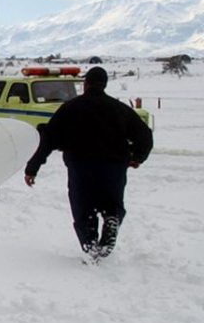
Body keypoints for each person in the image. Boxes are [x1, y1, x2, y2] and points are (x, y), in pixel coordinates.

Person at [23, 66, 153, 261]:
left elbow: (48, 138)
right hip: (114, 167)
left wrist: (32, 168)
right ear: (105, 84)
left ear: (86, 84)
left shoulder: (71, 108)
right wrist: (137, 157)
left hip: (81, 166)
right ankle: (112, 218)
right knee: (112, 203)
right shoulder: (119, 109)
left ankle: (91, 246)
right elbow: (145, 136)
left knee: (83, 208)